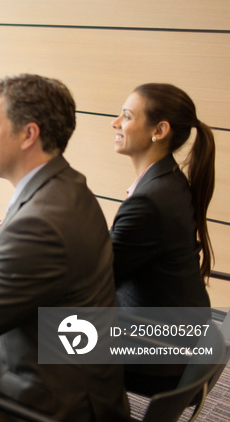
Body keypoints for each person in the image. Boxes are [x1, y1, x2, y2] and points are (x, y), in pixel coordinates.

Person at [0, 74, 129, 421]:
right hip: (73, 373)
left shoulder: (42, 220)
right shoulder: (64, 186)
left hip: (50, 403)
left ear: (29, 134)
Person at [110, 84, 215, 395]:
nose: (115, 122)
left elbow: (94, 278)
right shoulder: (166, 181)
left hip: (156, 350)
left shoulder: (152, 200)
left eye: (126, 116)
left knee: (24, 334)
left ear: (159, 131)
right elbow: (118, 247)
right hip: (175, 336)